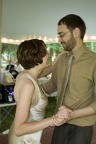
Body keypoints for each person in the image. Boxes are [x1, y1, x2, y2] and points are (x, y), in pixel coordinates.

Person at [41, 14, 96, 144]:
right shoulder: (61, 59)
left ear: (76, 32)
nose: (59, 39)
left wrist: (72, 114)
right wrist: (32, 90)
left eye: (61, 34)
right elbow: (53, 84)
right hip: (59, 123)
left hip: (82, 125)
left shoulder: (93, 61)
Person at [8, 39, 64, 144]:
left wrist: (61, 55)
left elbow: (50, 68)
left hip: (30, 137)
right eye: (46, 51)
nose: (48, 54)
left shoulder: (27, 74)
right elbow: (19, 129)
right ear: (38, 56)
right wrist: (53, 120)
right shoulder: (27, 85)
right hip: (24, 140)